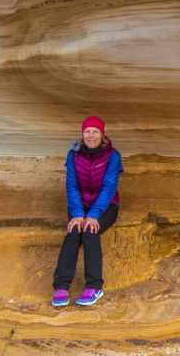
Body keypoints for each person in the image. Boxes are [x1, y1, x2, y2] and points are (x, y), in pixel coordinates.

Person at [51, 115, 123, 307]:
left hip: (106, 206)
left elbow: (109, 187)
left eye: (95, 131)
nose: (91, 135)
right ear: (82, 135)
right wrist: (77, 214)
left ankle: (94, 286)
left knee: (90, 231)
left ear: (102, 134)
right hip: (79, 207)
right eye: (87, 131)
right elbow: (72, 186)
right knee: (74, 232)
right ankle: (61, 287)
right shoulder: (73, 155)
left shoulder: (113, 156)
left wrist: (93, 215)